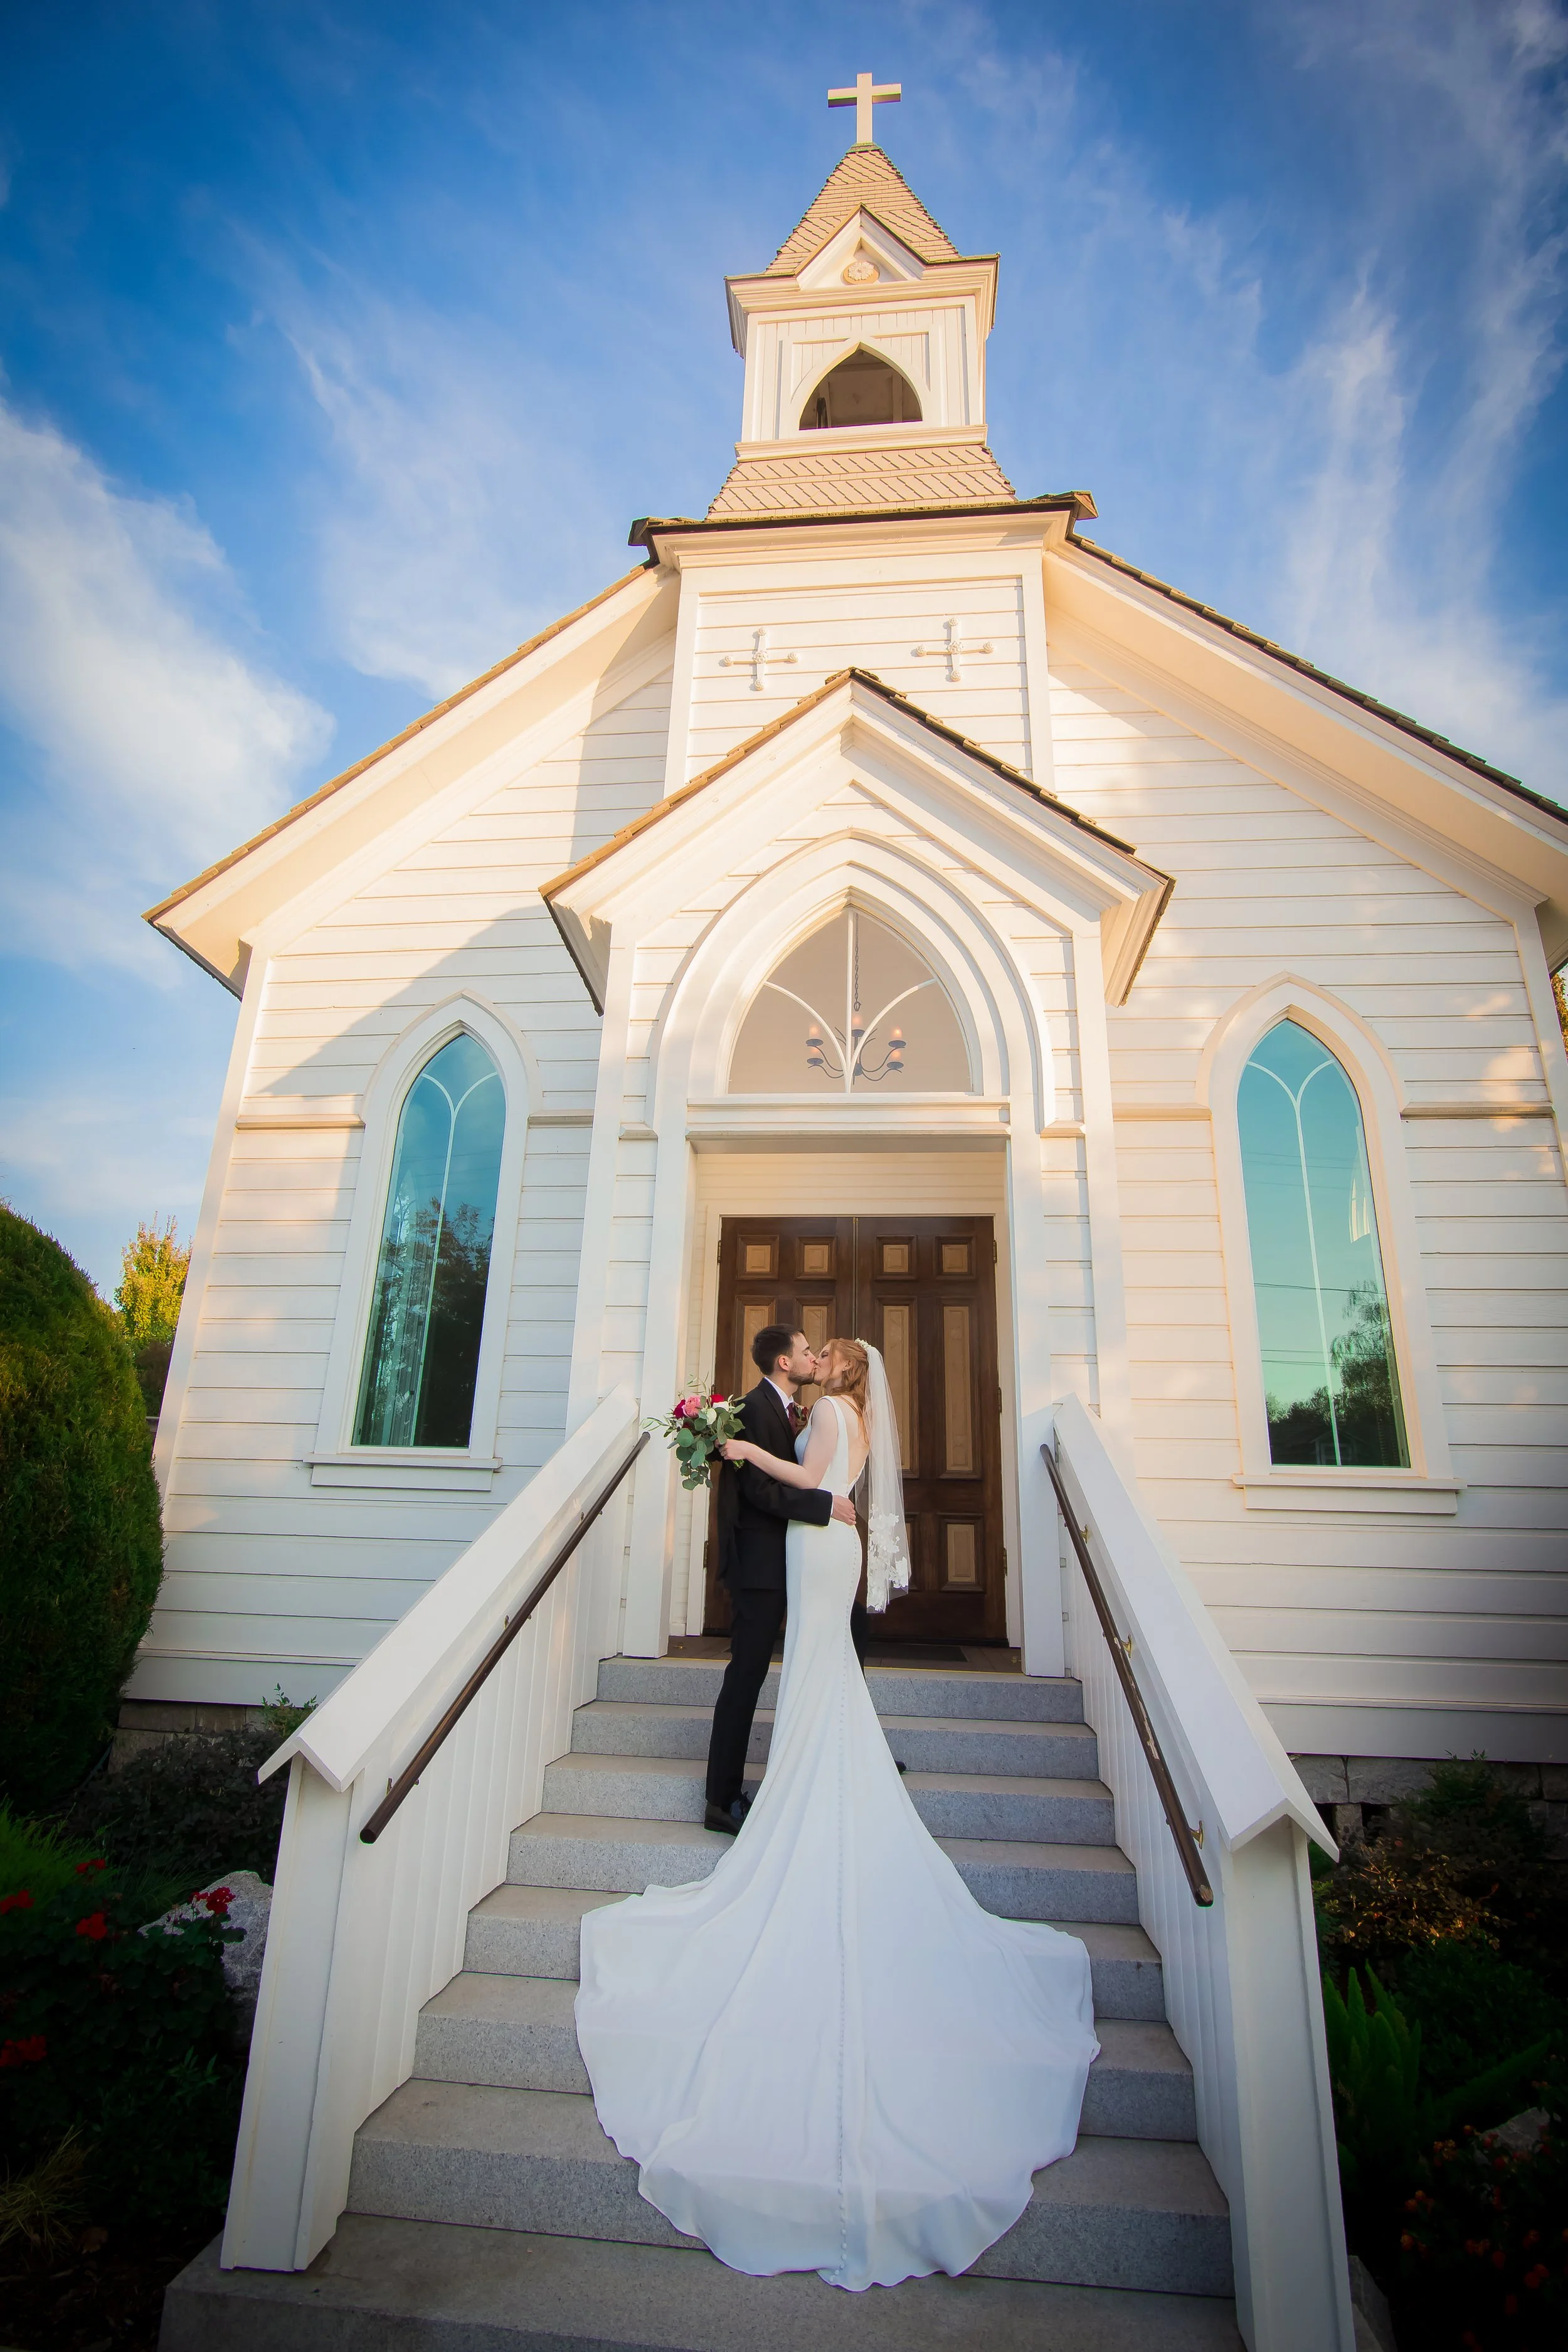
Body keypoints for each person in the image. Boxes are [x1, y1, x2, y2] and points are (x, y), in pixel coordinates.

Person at [575, 1336, 1100, 2293]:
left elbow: (805, 1478)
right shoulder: (851, 1413)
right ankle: (820, 1778)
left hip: (819, 1546)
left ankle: (816, 1788)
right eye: (809, 1348)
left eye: (828, 1351)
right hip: (826, 1546)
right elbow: (824, 1484)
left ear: (842, 1373)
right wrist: (744, 1448)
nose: (815, 1356)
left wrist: (738, 1450)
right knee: (821, 1679)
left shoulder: (826, 1414)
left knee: (818, 1675)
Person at [702, 1323, 858, 1836]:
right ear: (784, 1363)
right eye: (808, 1351)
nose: (815, 1358)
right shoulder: (749, 1409)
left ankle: (854, 1762)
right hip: (762, 1566)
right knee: (746, 1674)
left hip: (801, 1557)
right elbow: (760, 1493)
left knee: (836, 1648)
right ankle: (722, 1798)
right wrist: (823, 1504)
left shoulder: (795, 1411)